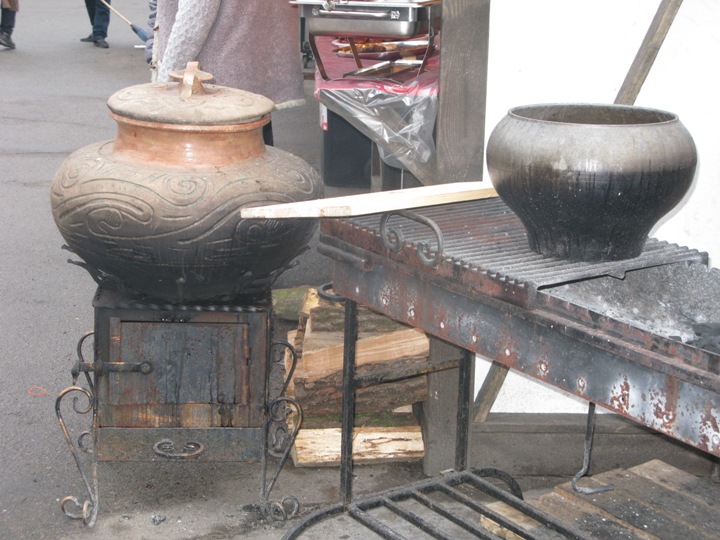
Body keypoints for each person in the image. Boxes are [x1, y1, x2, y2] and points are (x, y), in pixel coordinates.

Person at [155, 0, 305, 145]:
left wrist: (162, 86)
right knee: (254, 152)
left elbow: (192, 22)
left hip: (211, 91)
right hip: (247, 75)